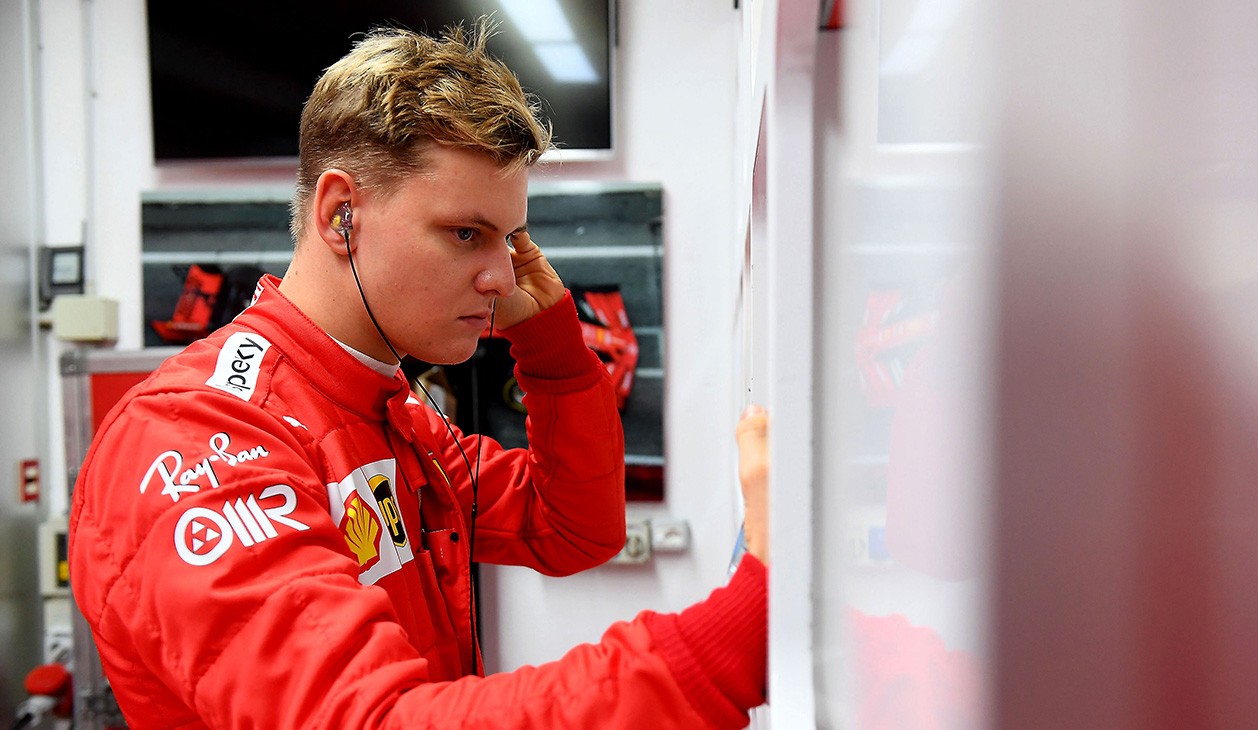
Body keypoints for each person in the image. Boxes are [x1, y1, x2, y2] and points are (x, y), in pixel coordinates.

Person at [69, 21, 770, 729]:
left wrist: (552, 349)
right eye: (467, 233)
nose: (503, 278)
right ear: (342, 216)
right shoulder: (197, 436)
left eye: (510, 240)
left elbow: (574, 528)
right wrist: (729, 643)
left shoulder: (386, 410)